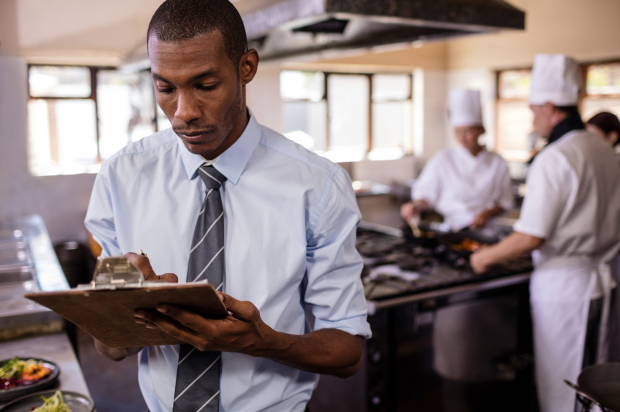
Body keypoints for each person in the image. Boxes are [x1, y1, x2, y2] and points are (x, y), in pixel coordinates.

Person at [84, 1, 371, 411]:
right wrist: (127, 311)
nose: (183, 113)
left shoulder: (318, 186)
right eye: (165, 88)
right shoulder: (120, 178)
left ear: (246, 67)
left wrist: (261, 342)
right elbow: (109, 348)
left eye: (204, 85)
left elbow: (348, 353)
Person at [470, 54, 620, 412]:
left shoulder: (555, 157)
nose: (532, 117)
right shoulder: (603, 150)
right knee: (591, 385)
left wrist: (483, 256)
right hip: (603, 281)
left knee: (562, 386)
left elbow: (530, 236)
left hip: (564, 288)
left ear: (550, 107)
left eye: (534, 109)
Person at [401, 88, 514, 232]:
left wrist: (486, 214)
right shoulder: (443, 159)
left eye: (468, 131)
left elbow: (504, 201)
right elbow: (426, 194)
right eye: (457, 132)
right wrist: (415, 206)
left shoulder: (497, 162)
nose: (462, 137)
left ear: (481, 130)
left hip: (487, 231)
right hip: (452, 230)